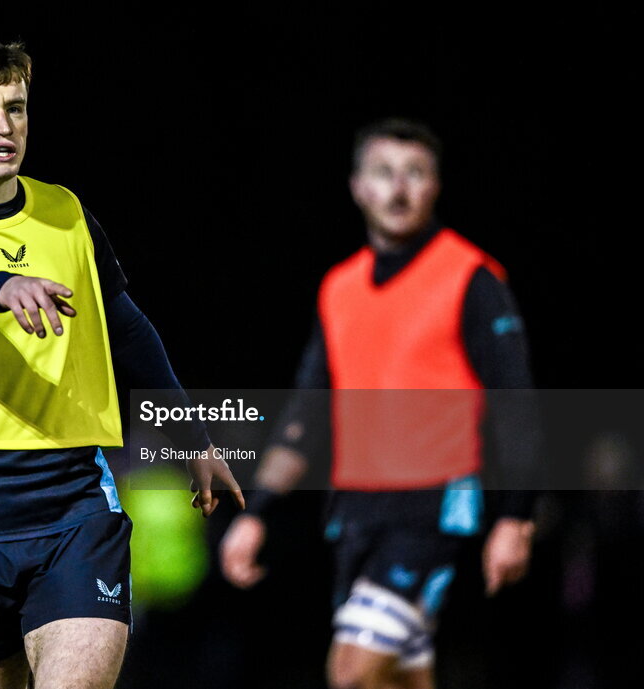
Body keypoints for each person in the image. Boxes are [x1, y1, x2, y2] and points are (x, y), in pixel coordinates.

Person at [0, 37, 243, 689]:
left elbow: (128, 327)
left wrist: (192, 437)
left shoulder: (66, 215)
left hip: (75, 509)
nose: (3, 125)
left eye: (16, 107)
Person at [219, 118, 538, 689]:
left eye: (415, 174)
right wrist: (259, 512)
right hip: (355, 513)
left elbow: (516, 401)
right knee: (399, 678)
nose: (399, 188)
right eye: (384, 173)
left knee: (352, 670)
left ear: (436, 186)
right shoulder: (340, 287)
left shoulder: (471, 277)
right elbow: (307, 412)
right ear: (358, 187)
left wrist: (516, 515)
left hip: (432, 509)